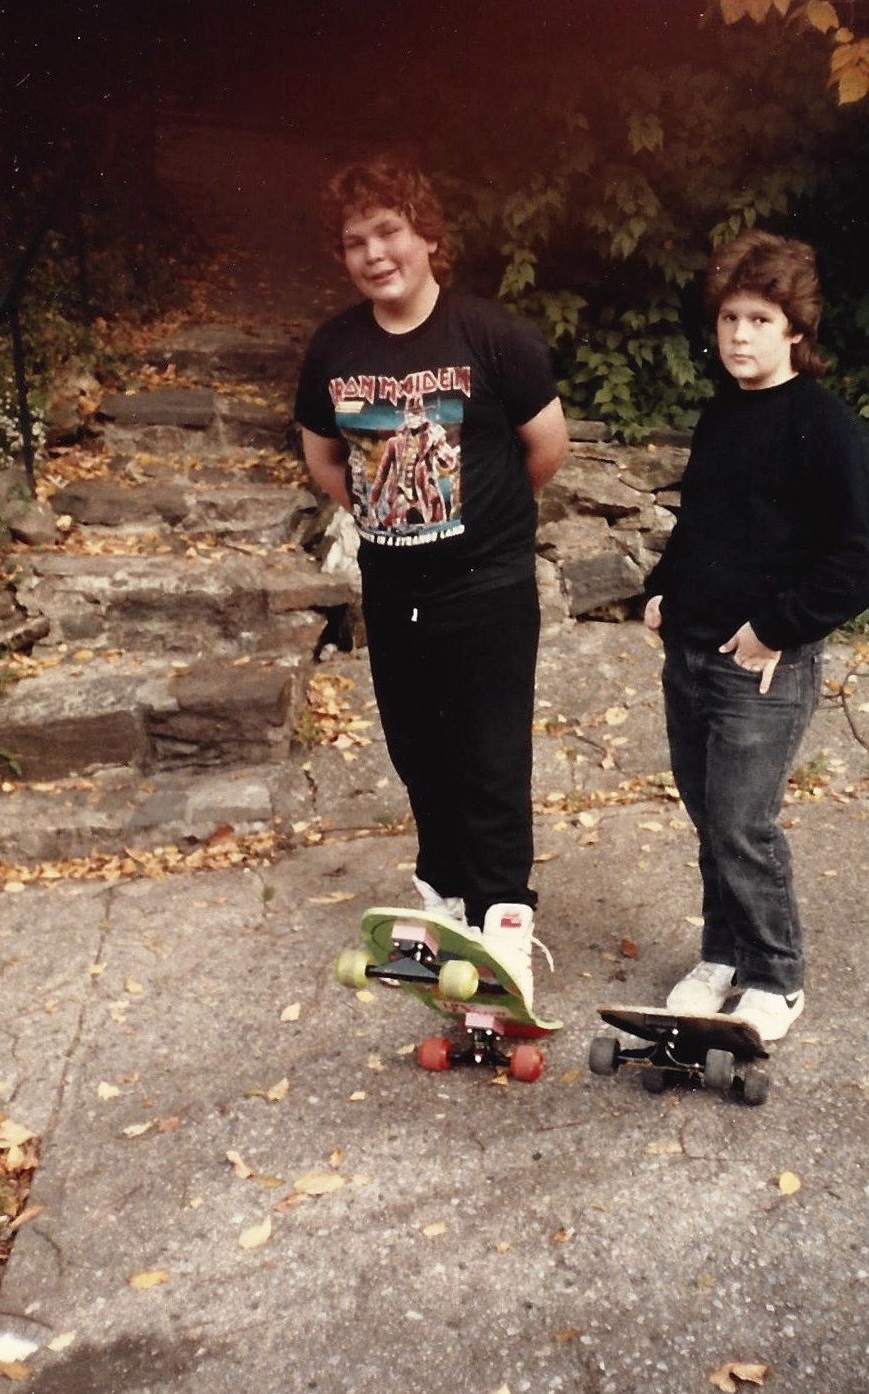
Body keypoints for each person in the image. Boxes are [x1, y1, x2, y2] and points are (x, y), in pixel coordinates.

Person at [294, 156, 569, 1005]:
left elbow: (545, 449)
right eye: (356, 242)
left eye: (389, 233)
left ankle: (504, 919)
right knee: (418, 750)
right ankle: (445, 898)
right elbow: (322, 457)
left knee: (490, 755)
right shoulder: (335, 347)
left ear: (427, 237)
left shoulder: (492, 336)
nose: (374, 254)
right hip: (393, 587)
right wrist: (391, 519)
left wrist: (479, 521)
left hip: (486, 588)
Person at [643, 229, 869, 1043]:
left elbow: (861, 559)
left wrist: (775, 628)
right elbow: (702, 523)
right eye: (728, 318)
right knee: (708, 818)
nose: (739, 335)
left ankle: (775, 976)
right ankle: (722, 955)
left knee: (741, 825)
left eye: (758, 319)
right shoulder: (722, 416)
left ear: (794, 329)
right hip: (690, 654)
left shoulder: (825, 425)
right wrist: (662, 589)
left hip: (761, 666)